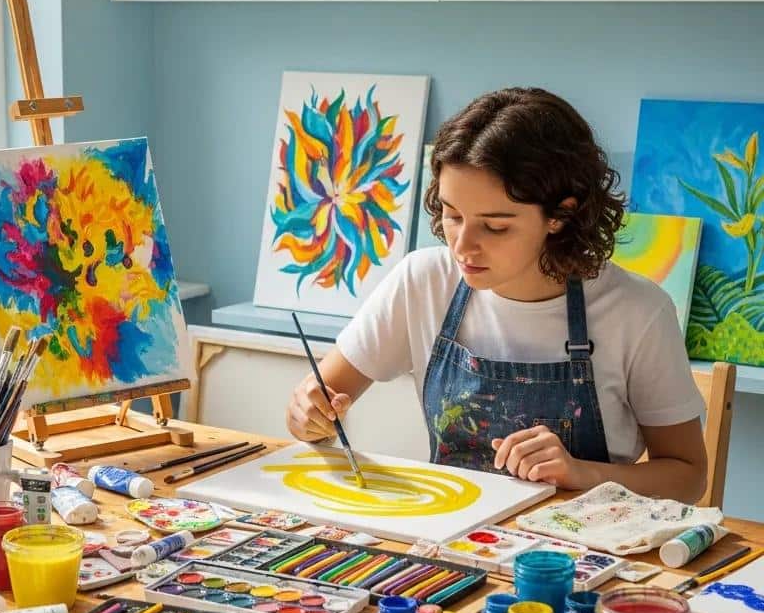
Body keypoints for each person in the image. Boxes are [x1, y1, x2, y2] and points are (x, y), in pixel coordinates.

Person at [286, 87, 708, 503]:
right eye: (453, 215)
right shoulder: (422, 281)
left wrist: (584, 474)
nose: (462, 246)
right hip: (449, 527)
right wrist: (310, 416)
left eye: (495, 226)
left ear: (561, 215)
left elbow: (688, 478)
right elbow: (315, 406)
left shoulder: (637, 311)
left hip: (579, 540)